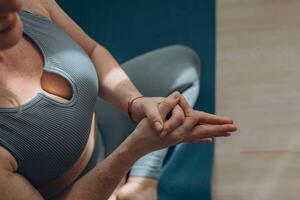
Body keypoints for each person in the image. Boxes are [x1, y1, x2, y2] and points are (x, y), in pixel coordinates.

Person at [0, 0, 237, 199]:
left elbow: (92, 51)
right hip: (79, 191)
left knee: (183, 65)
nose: (15, 4)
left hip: (101, 126)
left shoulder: (23, 5)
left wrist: (135, 103)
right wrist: (132, 151)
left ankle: (141, 184)